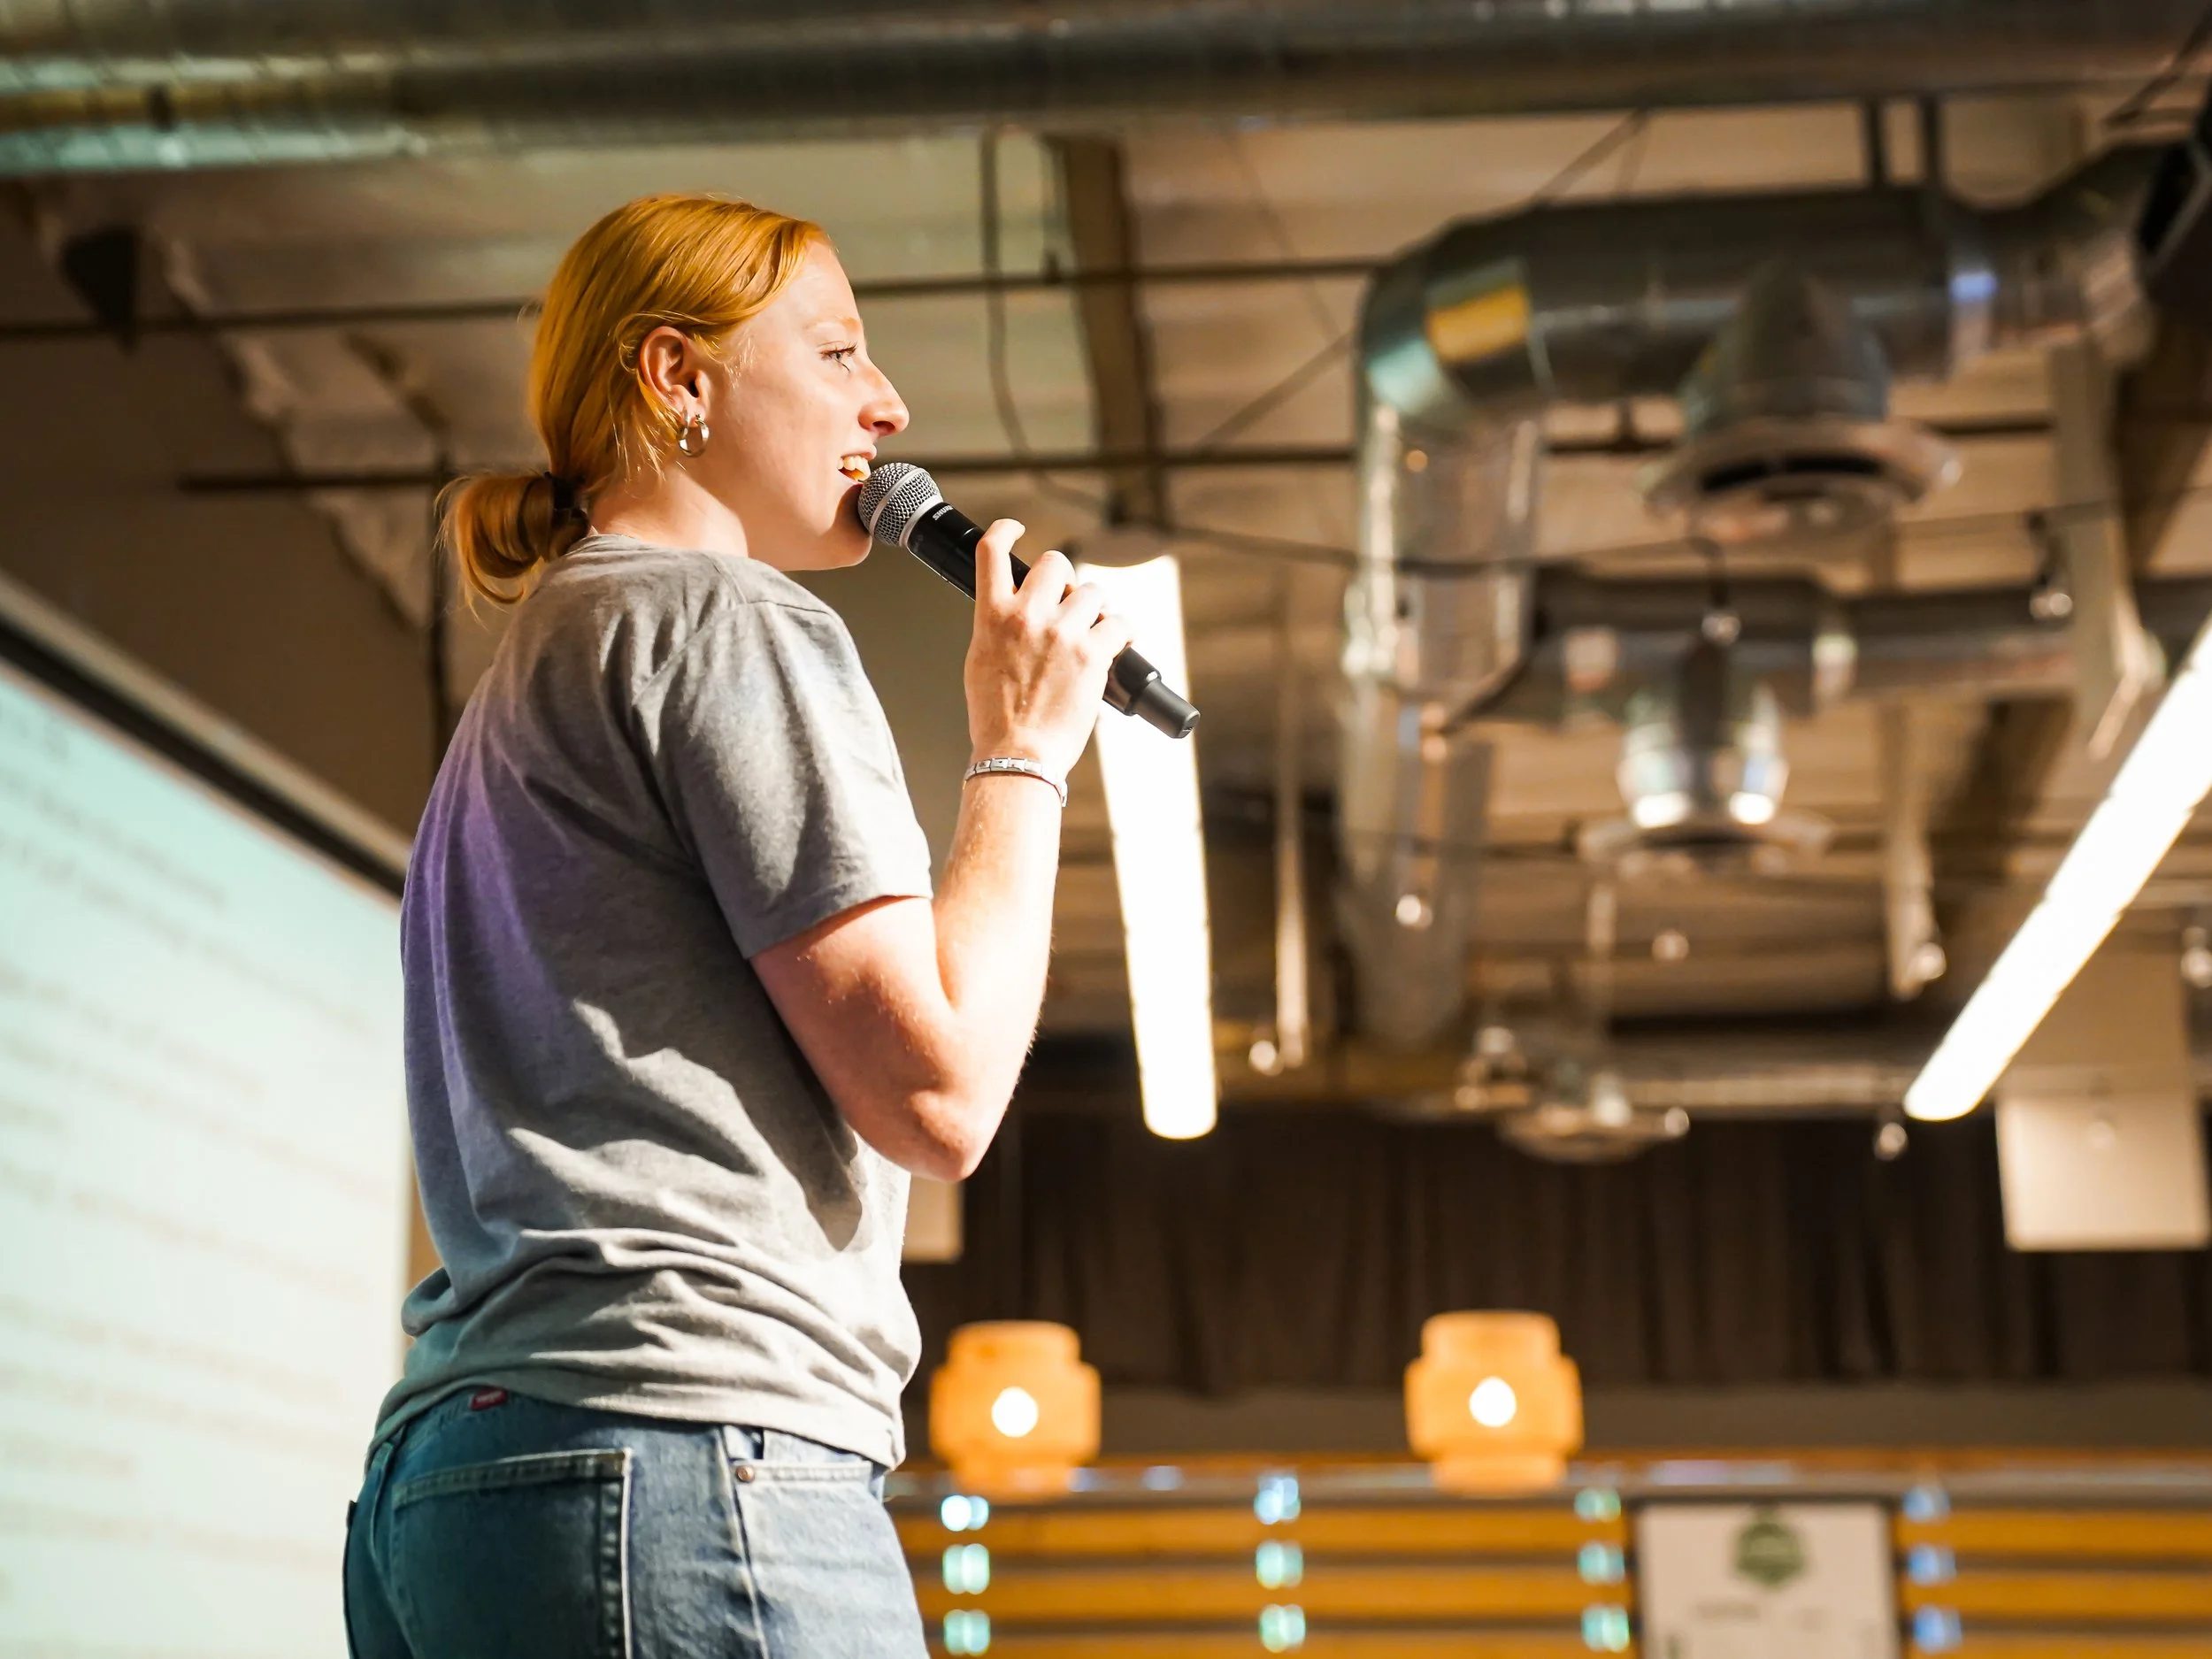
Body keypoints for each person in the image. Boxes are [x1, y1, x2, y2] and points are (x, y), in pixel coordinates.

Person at [341, 193, 1129, 1659]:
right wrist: (1023, 751)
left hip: (459, 1475)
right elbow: (939, 1094)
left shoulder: (531, 675)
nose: (887, 404)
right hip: (685, 1444)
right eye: (835, 352)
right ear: (678, 378)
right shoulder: (728, 620)